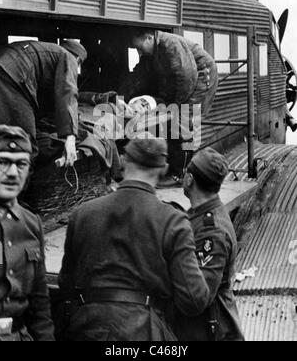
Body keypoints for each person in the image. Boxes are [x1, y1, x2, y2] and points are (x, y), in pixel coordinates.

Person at [58, 135, 210, 341]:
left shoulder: (83, 213)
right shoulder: (172, 221)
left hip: (86, 327)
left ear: (123, 161)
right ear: (163, 169)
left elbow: (65, 283)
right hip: (144, 330)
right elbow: (194, 300)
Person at [122, 29, 218, 185]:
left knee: (183, 123)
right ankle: (174, 167)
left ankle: (179, 174)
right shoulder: (152, 51)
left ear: (149, 38)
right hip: (185, 81)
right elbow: (139, 75)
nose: (139, 52)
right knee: (173, 119)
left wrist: (176, 106)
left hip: (201, 77)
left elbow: (186, 77)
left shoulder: (170, 44)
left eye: (140, 47)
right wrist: (121, 96)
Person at [174, 147, 244, 341]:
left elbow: (198, 296)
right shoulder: (202, 215)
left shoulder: (211, 232)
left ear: (189, 179)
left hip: (211, 331)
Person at [0, 125, 54, 341]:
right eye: (2, 162)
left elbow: (39, 307)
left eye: (21, 164)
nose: (12, 173)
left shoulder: (31, 224)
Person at [0, 39, 87, 166]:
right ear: (78, 60)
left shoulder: (48, 52)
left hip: (4, 67)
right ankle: (21, 185)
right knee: (24, 144)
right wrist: (70, 138)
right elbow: (68, 93)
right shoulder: (68, 57)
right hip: (10, 77)